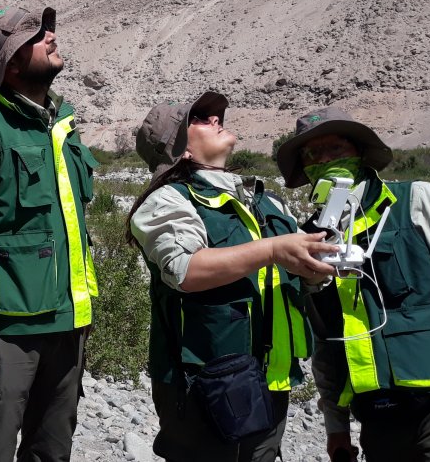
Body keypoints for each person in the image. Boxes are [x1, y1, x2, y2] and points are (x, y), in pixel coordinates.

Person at [274, 107, 430, 462]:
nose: (325, 160)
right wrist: (336, 426)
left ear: (360, 153)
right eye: (312, 153)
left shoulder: (416, 200)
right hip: (377, 414)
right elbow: (326, 341)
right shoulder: (309, 239)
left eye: (336, 148)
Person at [127, 93, 338, 462]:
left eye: (214, 115)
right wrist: (273, 250)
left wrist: (314, 269)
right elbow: (185, 269)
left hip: (271, 381)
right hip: (205, 386)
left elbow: (293, 276)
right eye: (199, 118)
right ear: (180, 150)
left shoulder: (268, 202)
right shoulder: (167, 201)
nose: (215, 120)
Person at [0, 4, 99, 461]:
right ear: (10, 63)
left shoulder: (62, 123)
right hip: (4, 332)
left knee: (51, 452)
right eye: (34, 36)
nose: (50, 37)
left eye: (45, 30)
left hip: (68, 325)